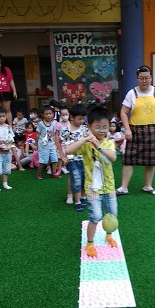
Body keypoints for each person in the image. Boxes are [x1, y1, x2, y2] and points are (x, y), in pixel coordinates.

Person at [64, 107, 119, 257]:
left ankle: (109, 235)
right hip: (92, 188)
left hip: (109, 187)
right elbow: (68, 151)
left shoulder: (109, 143)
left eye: (105, 127)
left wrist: (99, 147)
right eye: (97, 127)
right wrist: (85, 139)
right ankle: (90, 243)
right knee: (95, 216)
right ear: (89, 127)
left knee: (112, 214)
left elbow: (113, 158)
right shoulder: (86, 144)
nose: (101, 130)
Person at [116, 65, 155, 196]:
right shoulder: (132, 93)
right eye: (141, 78)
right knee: (128, 159)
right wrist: (127, 129)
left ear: (151, 78)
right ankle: (123, 187)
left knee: (151, 160)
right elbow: (123, 112)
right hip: (135, 131)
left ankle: (148, 186)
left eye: (147, 78)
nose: (144, 81)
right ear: (137, 79)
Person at [58, 103, 89, 209]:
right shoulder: (65, 130)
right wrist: (62, 156)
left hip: (85, 159)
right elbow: (58, 141)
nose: (82, 121)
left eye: (83, 119)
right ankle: (75, 199)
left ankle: (82, 197)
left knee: (84, 178)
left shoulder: (85, 129)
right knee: (75, 178)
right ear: (72, 117)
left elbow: (91, 139)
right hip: (72, 159)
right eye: (79, 119)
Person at [35, 105, 60, 180]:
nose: (49, 115)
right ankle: (39, 173)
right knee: (43, 161)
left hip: (51, 144)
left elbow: (54, 135)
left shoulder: (54, 123)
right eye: (46, 114)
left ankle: (54, 173)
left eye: (50, 113)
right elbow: (37, 135)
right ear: (42, 114)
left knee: (55, 159)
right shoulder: (41, 124)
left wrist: (56, 145)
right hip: (43, 145)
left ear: (53, 114)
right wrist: (36, 145)